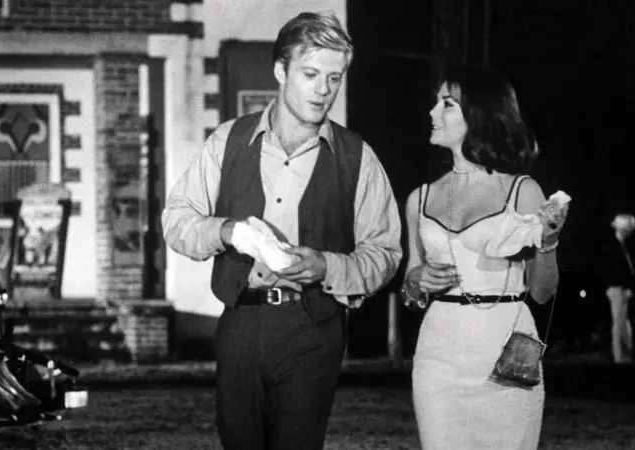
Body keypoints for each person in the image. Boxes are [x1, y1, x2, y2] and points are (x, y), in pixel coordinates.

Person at [162, 12, 403, 450]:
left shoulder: (357, 157)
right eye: (310, 74)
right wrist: (228, 231)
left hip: (312, 327)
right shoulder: (228, 141)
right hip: (241, 321)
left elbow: (385, 253)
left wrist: (326, 267)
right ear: (280, 71)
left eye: (334, 78)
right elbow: (177, 220)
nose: (323, 90)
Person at [401, 65, 568, 449]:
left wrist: (549, 240)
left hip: (506, 351)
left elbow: (543, 292)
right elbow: (411, 295)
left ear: (478, 114)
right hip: (438, 357)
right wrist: (415, 280)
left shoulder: (523, 191)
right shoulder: (418, 199)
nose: (432, 112)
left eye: (447, 104)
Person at [604, 213, 635, 363]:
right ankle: (620, 357)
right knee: (619, 322)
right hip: (618, 288)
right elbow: (613, 270)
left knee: (623, 322)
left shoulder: (621, 245)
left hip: (622, 288)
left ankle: (625, 356)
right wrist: (625, 287)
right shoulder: (612, 246)